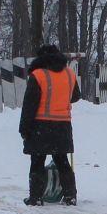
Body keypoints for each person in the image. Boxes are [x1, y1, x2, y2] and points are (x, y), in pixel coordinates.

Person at [19, 43, 79, 205]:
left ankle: (36, 198)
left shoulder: (38, 75)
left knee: (37, 162)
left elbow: (29, 105)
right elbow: (75, 96)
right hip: (63, 126)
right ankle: (70, 196)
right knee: (62, 161)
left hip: (40, 125)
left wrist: (24, 129)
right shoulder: (69, 74)